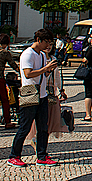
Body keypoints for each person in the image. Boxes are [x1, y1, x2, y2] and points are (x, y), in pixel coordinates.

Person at [8, 29, 60, 167]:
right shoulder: (27, 54)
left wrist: (49, 70)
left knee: (43, 127)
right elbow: (28, 74)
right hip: (30, 94)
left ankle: (42, 155)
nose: (48, 46)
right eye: (46, 42)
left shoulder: (42, 55)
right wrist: (45, 69)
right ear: (38, 40)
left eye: (50, 42)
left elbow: (42, 75)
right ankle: (14, 155)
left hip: (42, 95)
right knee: (24, 127)